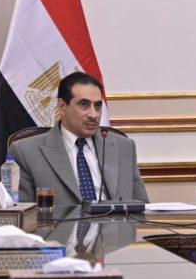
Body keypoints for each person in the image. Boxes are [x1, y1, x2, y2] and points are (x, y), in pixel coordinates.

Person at [9, 72, 149, 206]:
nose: (94, 115)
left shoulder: (124, 147)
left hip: (116, 223)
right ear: (62, 107)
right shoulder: (26, 152)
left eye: (98, 106)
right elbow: (23, 213)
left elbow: (142, 206)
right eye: (84, 105)